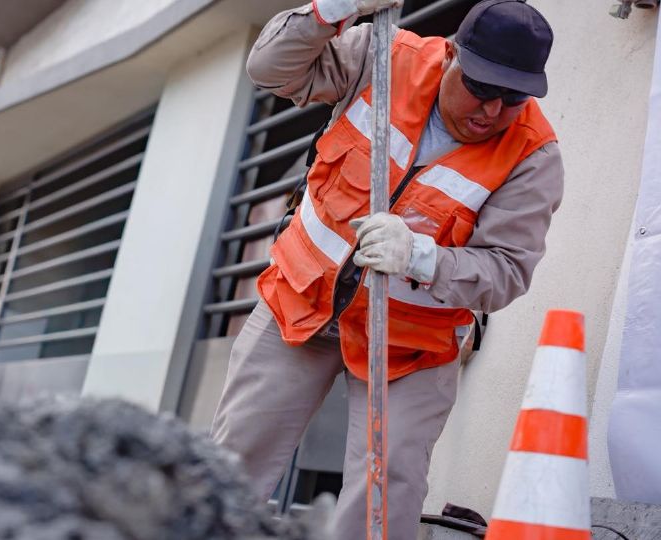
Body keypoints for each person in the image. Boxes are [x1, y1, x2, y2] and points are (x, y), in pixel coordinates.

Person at [210, 0, 563, 537]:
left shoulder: (532, 157)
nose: (492, 110)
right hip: (301, 299)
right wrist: (333, 10)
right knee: (233, 462)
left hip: (409, 346)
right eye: (482, 87)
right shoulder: (385, 56)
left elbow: (507, 272)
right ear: (450, 56)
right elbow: (270, 70)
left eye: (513, 97)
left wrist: (421, 256)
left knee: (383, 498)